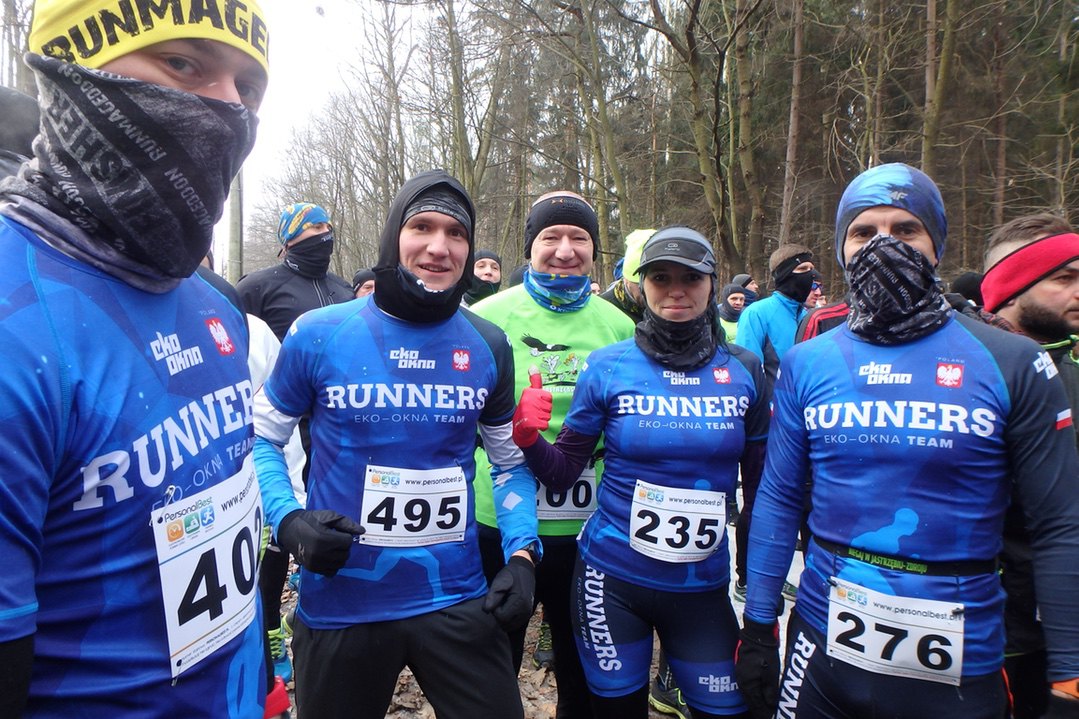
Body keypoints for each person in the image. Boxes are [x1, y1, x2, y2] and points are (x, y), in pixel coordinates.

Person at [0, 0, 270, 715]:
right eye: (182, 63)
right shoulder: (15, 325)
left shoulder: (215, 307)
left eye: (248, 86)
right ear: (72, 73)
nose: (229, 108)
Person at [736, 163, 1079, 719]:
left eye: (906, 229)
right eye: (863, 232)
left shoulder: (1013, 361)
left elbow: (1059, 525)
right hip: (822, 644)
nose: (884, 245)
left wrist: (1069, 676)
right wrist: (757, 625)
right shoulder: (808, 361)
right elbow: (778, 498)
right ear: (842, 249)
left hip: (960, 661)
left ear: (936, 244)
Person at [252, 169, 540, 719]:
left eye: (456, 233)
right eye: (422, 227)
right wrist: (287, 521)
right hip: (342, 599)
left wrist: (523, 555)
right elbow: (262, 436)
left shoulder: (487, 343)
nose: (439, 246)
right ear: (393, 237)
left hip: (454, 594)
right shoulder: (318, 332)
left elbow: (509, 465)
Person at [511, 226, 767, 719]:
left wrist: (758, 606)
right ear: (641, 286)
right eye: (660, 277)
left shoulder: (744, 369)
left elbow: (760, 496)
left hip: (701, 589)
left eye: (691, 278)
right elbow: (563, 473)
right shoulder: (609, 365)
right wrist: (526, 437)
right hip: (610, 582)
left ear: (712, 283)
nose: (676, 290)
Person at [470, 191, 635, 719]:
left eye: (579, 238)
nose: (565, 250)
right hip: (498, 519)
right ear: (530, 247)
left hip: (590, 526)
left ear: (594, 250)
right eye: (550, 237)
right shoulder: (485, 317)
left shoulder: (619, 325)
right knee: (493, 663)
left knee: (581, 670)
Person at [237, 200, 353, 682]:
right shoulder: (258, 287)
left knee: (327, 521)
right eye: (312, 228)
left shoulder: (342, 289)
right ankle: (269, 631)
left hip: (334, 433)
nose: (323, 234)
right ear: (289, 238)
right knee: (275, 536)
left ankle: (307, 612)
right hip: (279, 426)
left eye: (327, 225)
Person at [980, 213, 1079, 719]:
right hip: (994, 625)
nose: (1078, 291)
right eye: (1063, 277)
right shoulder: (966, 368)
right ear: (1011, 285)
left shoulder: (1072, 368)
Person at [731, 244, 815, 604]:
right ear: (784, 274)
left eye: (813, 269)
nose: (811, 277)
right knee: (758, 506)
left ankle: (802, 579)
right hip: (765, 432)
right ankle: (746, 578)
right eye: (803, 270)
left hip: (807, 431)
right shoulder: (758, 312)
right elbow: (747, 370)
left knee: (806, 507)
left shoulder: (811, 316)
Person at [238, 202, 353, 340]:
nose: (326, 233)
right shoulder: (256, 287)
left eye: (329, 228)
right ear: (291, 236)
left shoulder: (344, 288)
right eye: (317, 227)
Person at [600, 228, 654, 323]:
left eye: (659, 280)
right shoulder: (602, 310)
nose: (648, 291)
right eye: (639, 284)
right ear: (626, 279)